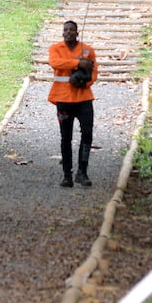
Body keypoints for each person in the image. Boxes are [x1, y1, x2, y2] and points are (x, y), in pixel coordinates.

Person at [47, 19, 98, 188]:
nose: (68, 32)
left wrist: (84, 81)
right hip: (63, 99)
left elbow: (94, 72)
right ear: (62, 33)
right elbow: (55, 63)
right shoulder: (55, 49)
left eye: (72, 30)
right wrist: (77, 63)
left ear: (77, 32)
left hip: (83, 99)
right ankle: (67, 175)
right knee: (66, 137)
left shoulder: (88, 50)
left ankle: (82, 172)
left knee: (87, 134)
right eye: (65, 30)